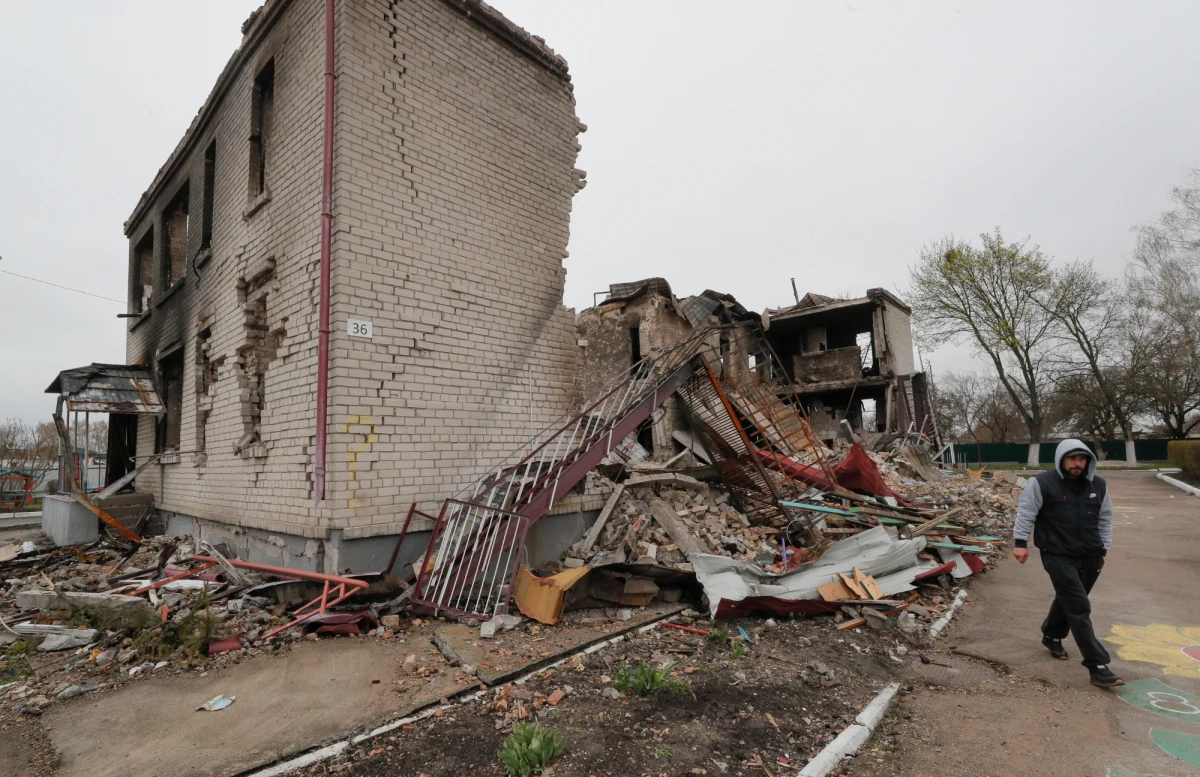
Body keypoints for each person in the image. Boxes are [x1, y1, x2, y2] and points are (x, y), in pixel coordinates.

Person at [1012, 438, 1122, 687]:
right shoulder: (1041, 483)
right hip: (1057, 554)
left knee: (1068, 599)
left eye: (1082, 459)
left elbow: (1106, 518)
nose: (1077, 464)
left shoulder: (1099, 485)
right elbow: (1026, 511)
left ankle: (1051, 634)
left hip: (1091, 554)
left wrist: (1104, 548)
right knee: (1079, 605)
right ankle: (1098, 666)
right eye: (1072, 458)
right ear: (1061, 459)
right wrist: (1020, 543)